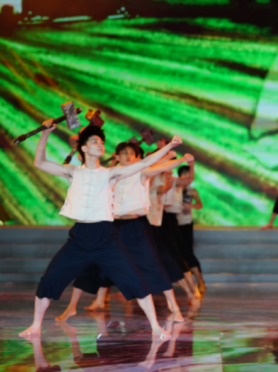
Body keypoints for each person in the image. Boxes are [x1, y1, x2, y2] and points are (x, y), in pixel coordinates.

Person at [20, 120, 183, 338]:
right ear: (83, 147)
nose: (100, 145)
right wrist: (45, 134)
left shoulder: (110, 173)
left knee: (135, 280)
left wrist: (170, 146)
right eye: (95, 141)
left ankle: (156, 327)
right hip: (79, 238)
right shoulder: (72, 172)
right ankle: (35, 326)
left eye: (102, 142)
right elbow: (39, 163)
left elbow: (145, 163)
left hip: (106, 237)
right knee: (50, 280)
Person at [55, 141, 195, 322]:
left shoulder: (141, 172)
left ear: (136, 157)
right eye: (124, 153)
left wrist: (181, 159)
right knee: (93, 265)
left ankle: (174, 308)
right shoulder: (108, 173)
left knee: (152, 266)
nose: (128, 156)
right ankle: (72, 307)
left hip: (134, 226)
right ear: (117, 156)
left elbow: (162, 166)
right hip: (110, 226)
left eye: (131, 153)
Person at [176, 165, 206, 294]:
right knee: (180, 253)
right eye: (186, 175)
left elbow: (200, 204)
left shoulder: (192, 191)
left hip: (186, 223)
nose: (188, 178)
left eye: (190, 175)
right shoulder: (174, 188)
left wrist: (191, 205)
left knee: (188, 252)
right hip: (173, 223)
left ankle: (200, 281)